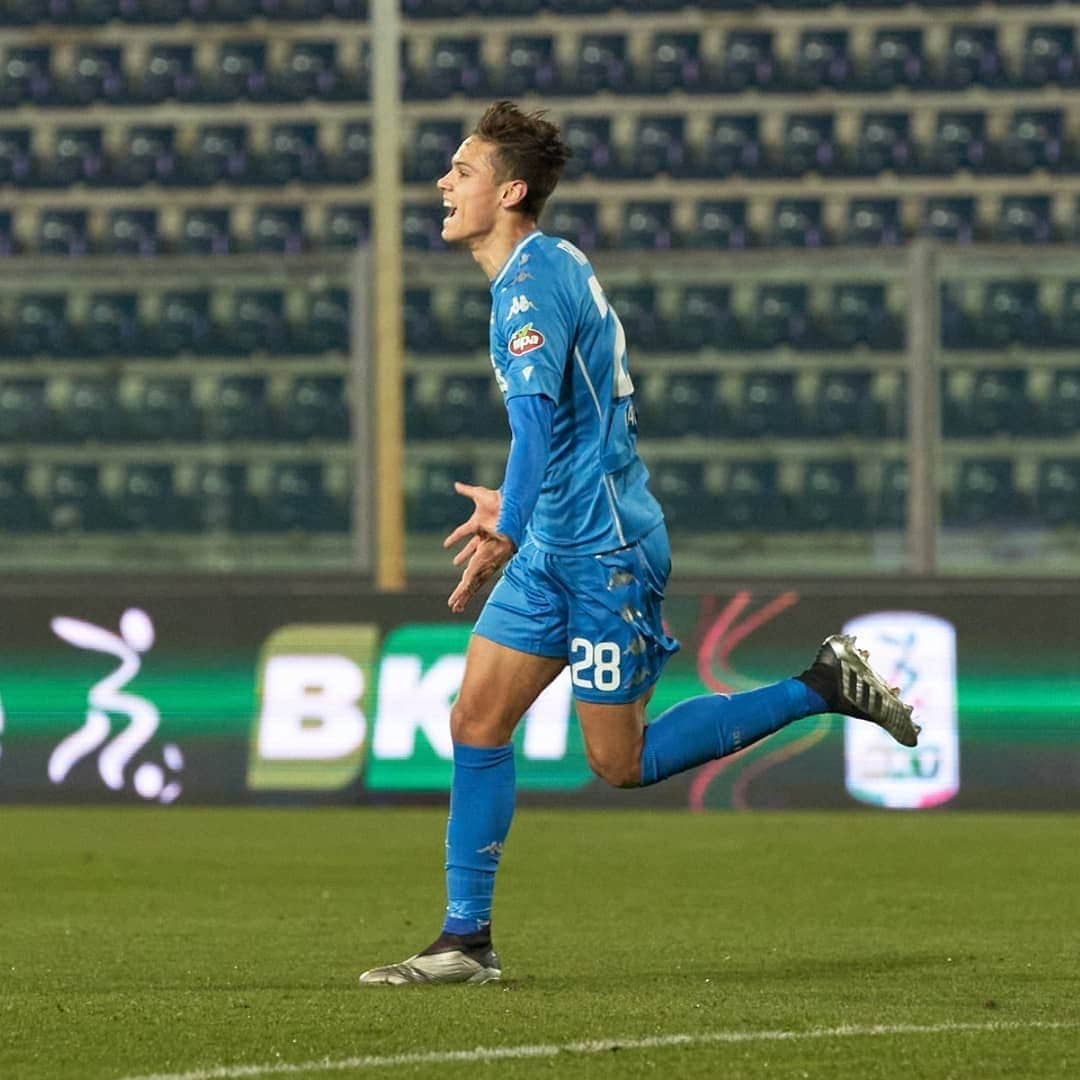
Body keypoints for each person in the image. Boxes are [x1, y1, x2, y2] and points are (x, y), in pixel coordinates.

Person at [358, 101, 918, 987]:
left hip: (605, 550)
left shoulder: (531, 287)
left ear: (509, 190)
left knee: (620, 763)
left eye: (461, 170)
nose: (443, 182)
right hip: (557, 536)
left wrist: (508, 519)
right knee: (475, 719)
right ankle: (465, 941)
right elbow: (565, 431)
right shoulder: (543, 266)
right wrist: (524, 509)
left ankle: (821, 684)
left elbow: (538, 427)